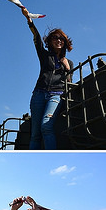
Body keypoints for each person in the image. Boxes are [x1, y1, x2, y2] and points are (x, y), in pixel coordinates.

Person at [22, 8, 74, 150]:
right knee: (35, 134)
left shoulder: (69, 63)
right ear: (50, 41)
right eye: (55, 38)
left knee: (46, 125)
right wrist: (29, 21)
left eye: (61, 38)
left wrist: (67, 68)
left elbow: (70, 84)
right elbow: (37, 40)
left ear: (65, 42)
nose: (58, 40)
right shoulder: (45, 56)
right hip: (39, 93)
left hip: (56, 95)